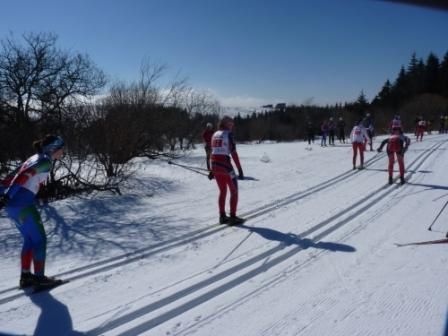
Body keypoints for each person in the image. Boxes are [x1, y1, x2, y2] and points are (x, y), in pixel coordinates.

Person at [1, 135, 65, 288]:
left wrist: (4, 193)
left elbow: (13, 176)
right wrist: (7, 196)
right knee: (40, 239)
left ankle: (26, 276)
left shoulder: (35, 157)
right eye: (61, 148)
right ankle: (39, 278)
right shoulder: (44, 161)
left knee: (30, 240)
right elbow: (23, 176)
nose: (63, 152)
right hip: (23, 205)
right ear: (53, 149)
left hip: (13, 207)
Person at [210, 116, 245, 225]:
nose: (232, 126)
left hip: (215, 165)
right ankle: (233, 217)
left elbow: (213, 152)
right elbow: (233, 153)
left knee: (223, 191)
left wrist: (211, 170)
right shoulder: (228, 134)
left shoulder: (214, 134)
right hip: (225, 166)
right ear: (225, 124)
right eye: (230, 124)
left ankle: (222, 216)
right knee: (234, 190)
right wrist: (239, 169)